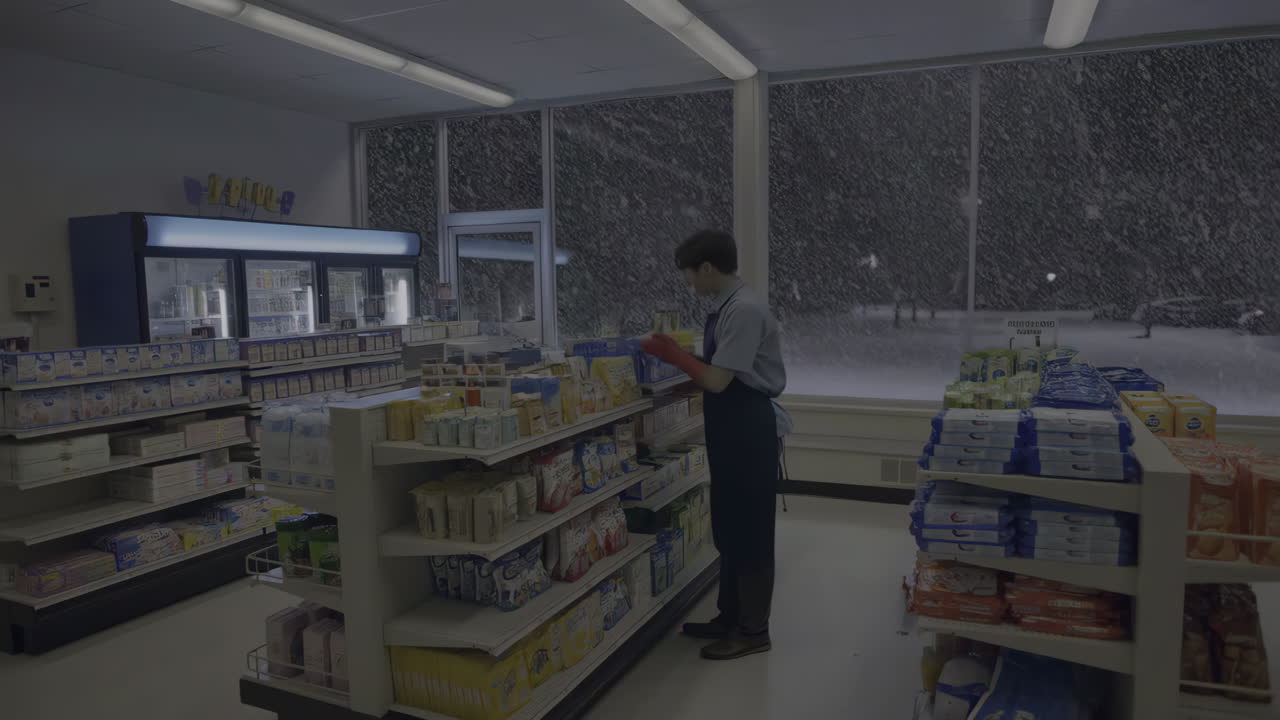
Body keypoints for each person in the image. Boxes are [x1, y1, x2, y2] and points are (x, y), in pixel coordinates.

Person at [640, 229, 790, 661]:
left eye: (691, 275)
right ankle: (729, 617)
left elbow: (719, 379)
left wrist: (672, 354)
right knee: (729, 525)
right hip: (730, 425)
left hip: (747, 425)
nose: (691, 284)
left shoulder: (743, 311)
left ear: (708, 268)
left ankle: (753, 630)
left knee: (751, 530)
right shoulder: (728, 308)